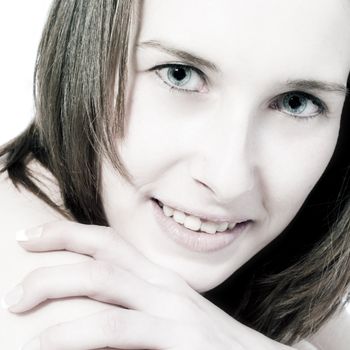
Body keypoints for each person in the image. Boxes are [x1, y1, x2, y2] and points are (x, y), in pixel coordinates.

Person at [0, 0, 349, 348]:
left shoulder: (286, 284)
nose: (228, 180)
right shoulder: (55, 306)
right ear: (82, 48)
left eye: (296, 103)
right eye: (179, 74)